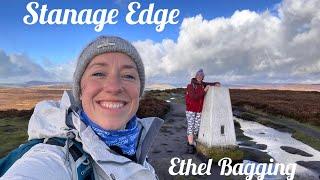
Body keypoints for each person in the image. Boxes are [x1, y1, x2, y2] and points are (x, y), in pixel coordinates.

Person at [1, 36, 163, 179]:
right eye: (99, 73)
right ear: (80, 91)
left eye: (128, 75)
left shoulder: (135, 144)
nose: (114, 87)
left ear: (139, 91)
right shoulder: (55, 158)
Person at [185, 69, 220, 153]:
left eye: (201, 76)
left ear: (203, 77)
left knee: (196, 128)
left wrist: (216, 83)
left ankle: (191, 141)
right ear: (196, 76)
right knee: (191, 126)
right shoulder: (190, 86)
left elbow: (210, 84)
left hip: (199, 110)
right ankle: (190, 146)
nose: (200, 77)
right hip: (191, 110)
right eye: (198, 75)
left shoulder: (203, 84)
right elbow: (194, 97)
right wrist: (204, 90)